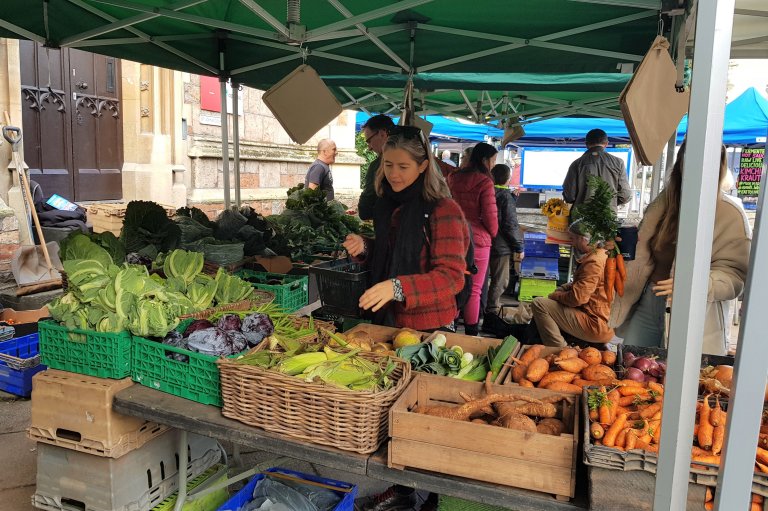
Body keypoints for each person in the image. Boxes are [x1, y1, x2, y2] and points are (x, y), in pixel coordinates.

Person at [610, 143, 751, 355]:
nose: (697, 165)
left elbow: (736, 277)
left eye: (708, 160)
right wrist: (621, 248)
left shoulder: (730, 214)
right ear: (680, 162)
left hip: (696, 313)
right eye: (690, 157)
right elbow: (645, 252)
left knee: (681, 380)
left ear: (719, 165)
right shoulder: (664, 203)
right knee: (633, 364)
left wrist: (695, 285)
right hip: (649, 299)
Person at [343, 126, 470, 332]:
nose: (393, 174)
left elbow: (451, 277)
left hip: (429, 324)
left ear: (423, 166)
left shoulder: (444, 210)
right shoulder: (387, 204)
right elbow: (393, 253)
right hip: (387, 316)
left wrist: (397, 287)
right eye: (388, 164)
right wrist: (365, 246)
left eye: (403, 167)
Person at [531, 220, 615, 347]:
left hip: (596, 325)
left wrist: (555, 296)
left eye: (573, 239)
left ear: (583, 239)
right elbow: (588, 284)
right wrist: (565, 287)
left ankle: (558, 349)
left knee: (539, 304)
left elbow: (578, 298)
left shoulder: (594, 262)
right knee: (554, 298)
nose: (572, 243)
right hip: (603, 322)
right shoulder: (602, 254)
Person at [447, 142, 499, 336]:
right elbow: (490, 216)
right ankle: (471, 332)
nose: (493, 165)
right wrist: (492, 233)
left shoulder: (453, 178)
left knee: (453, 283)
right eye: (493, 160)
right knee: (474, 288)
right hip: (478, 241)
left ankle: (450, 326)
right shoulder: (485, 182)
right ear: (485, 160)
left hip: (452, 237)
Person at [483, 164, 524, 332]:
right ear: (508, 179)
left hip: (485, 243)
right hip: (500, 246)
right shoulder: (505, 197)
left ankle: (479, 310)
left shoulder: (488, 191)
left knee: (483, 280)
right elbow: (510, 224)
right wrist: (519, 247)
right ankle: (491, 314)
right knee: (501, 281)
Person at [562, 128, 631, 211]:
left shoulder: (576, 164)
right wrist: (609, 203)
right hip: (607, 217)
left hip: (581, 217)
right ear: (606, 144)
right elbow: (625, 195)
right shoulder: (618, 163)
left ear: (586, 144)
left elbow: (569, 196)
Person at [358, 115, 395, 220]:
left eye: (369, 141)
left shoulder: (378, 165)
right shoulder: (415, 157)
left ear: (382, 134)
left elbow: (366, 208)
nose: (369, 147)